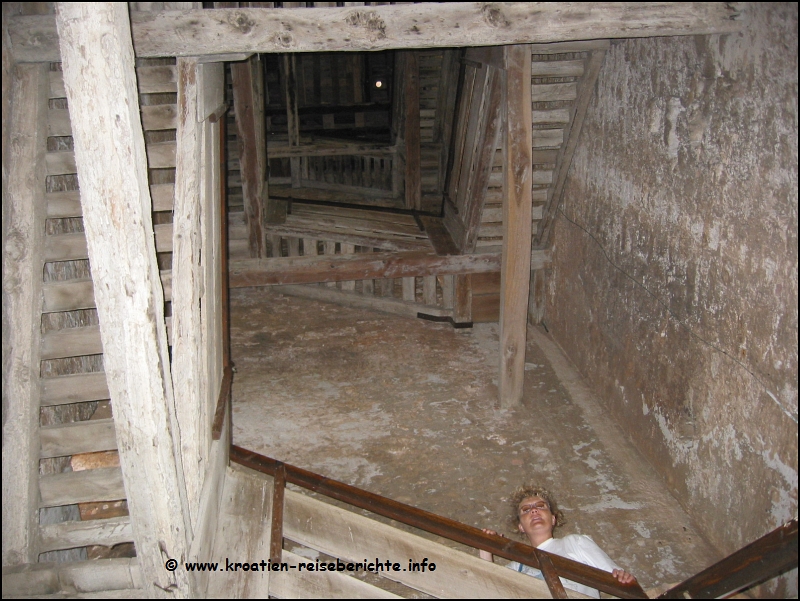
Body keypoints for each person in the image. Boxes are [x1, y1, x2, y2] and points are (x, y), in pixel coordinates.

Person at [479, 484, 637, 598]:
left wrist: (623, 578)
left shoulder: (574, 543)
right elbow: (488, 589)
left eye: (541, 506)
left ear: (553, 519)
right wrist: (485, 548)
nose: (534, 510)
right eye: (526, 510)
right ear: (520, 526)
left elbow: (618, 580)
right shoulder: (519, 565)